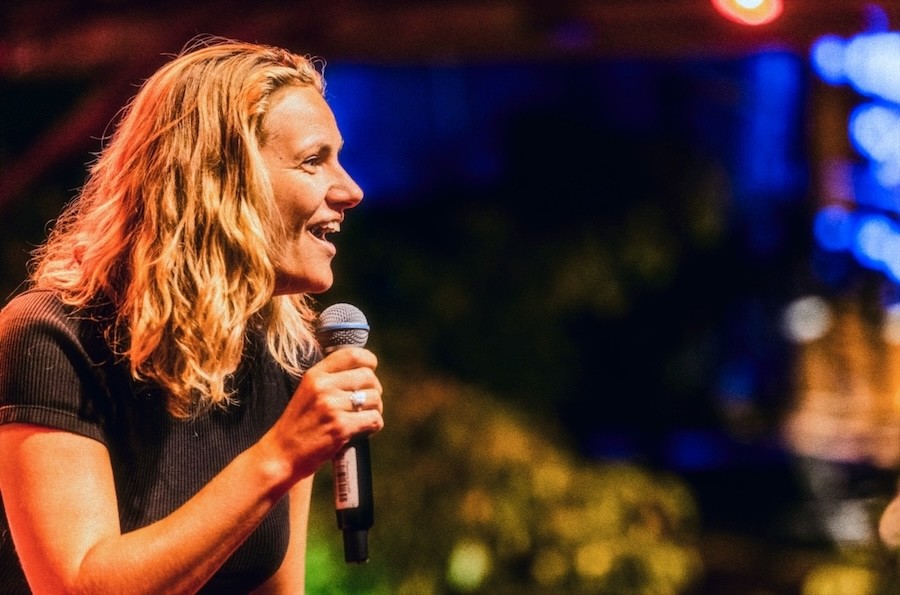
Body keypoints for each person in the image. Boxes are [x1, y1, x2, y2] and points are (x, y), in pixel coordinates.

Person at [0, 36, 384, 594]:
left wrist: (286, 455)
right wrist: (278, 457)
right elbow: (76, 585)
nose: (350, 190)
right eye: (312, 161)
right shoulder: (52, 337)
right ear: (225, 179)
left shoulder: (287, 354)